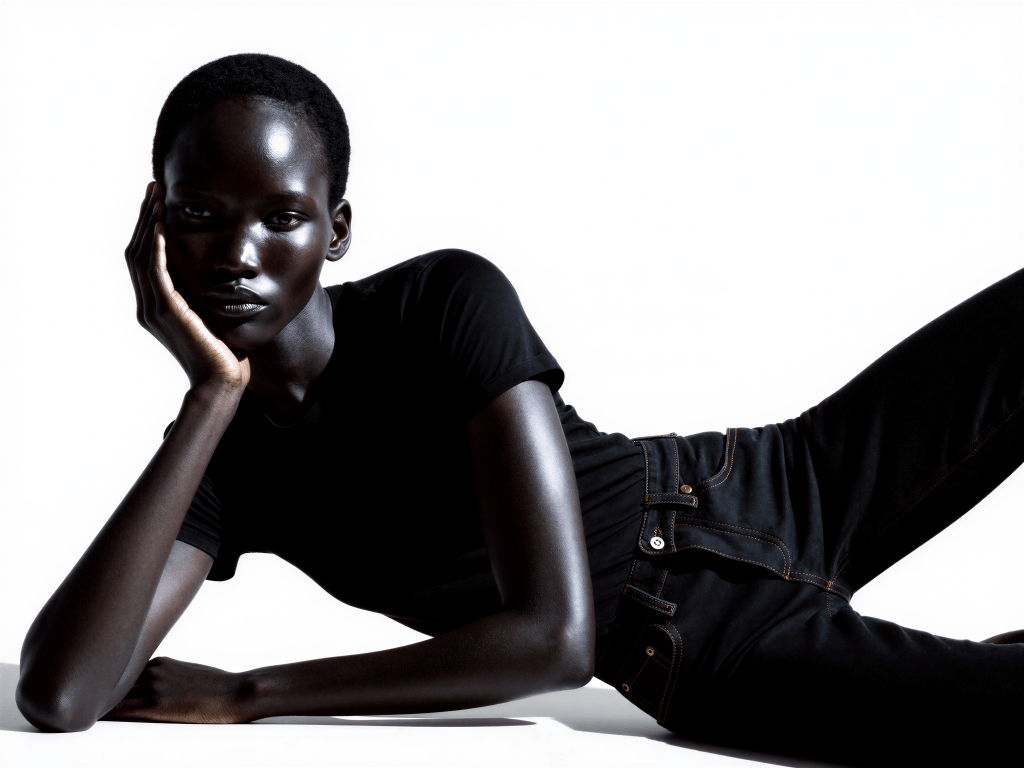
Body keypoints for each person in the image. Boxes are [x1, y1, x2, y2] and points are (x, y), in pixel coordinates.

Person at [15, 53, 1022, 765]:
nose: (239, 255)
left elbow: (549, 632)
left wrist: (251, 692)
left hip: (778, 480)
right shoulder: (225, 467)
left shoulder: (443, 303)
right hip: (707, 653)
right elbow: (60, 695)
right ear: (154, 224)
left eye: (283, 217)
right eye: (200, 215)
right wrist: (209, 396)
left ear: (337, 229)